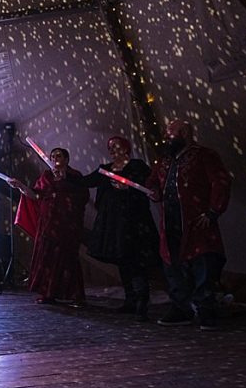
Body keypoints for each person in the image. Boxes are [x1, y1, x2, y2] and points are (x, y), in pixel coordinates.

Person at [145, 120, 231, 330]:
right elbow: (152, 181)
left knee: (202, 263)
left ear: (183, 133)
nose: (167, 136)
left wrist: (213, 211)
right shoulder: (164, 159)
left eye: (171, 132)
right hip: (171, 221)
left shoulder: (204, 155)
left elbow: (220, 182)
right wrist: (153, 190)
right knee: (172, 263)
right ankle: (180, 307)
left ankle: (205, 310)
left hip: (196, 219)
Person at [79, 136, 159, 321]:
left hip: (135, 223)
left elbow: (149, 186)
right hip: (115, 225)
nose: (112, 149)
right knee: (123, 260)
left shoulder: (137, 167)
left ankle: (142, 302)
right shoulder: (105, 170)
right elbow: (86, 181)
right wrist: (64, 174)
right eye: (110, 147)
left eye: (116, 146)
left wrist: (128, 189)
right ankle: (130, 300)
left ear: (126, 147)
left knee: (135, 261)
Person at [9, 147, 89, 306]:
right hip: (48, 223)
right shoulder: (46, 176)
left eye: (58, 156)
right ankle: (48, 293)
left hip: (68, 224)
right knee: (47, 256)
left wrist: (65, 180)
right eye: (52, 156)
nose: (54, 158)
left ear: (66, 159)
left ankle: (75, 295)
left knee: (68, 257)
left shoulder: (75, 176)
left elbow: (83, 196)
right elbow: (36, 195)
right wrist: (20, 186)